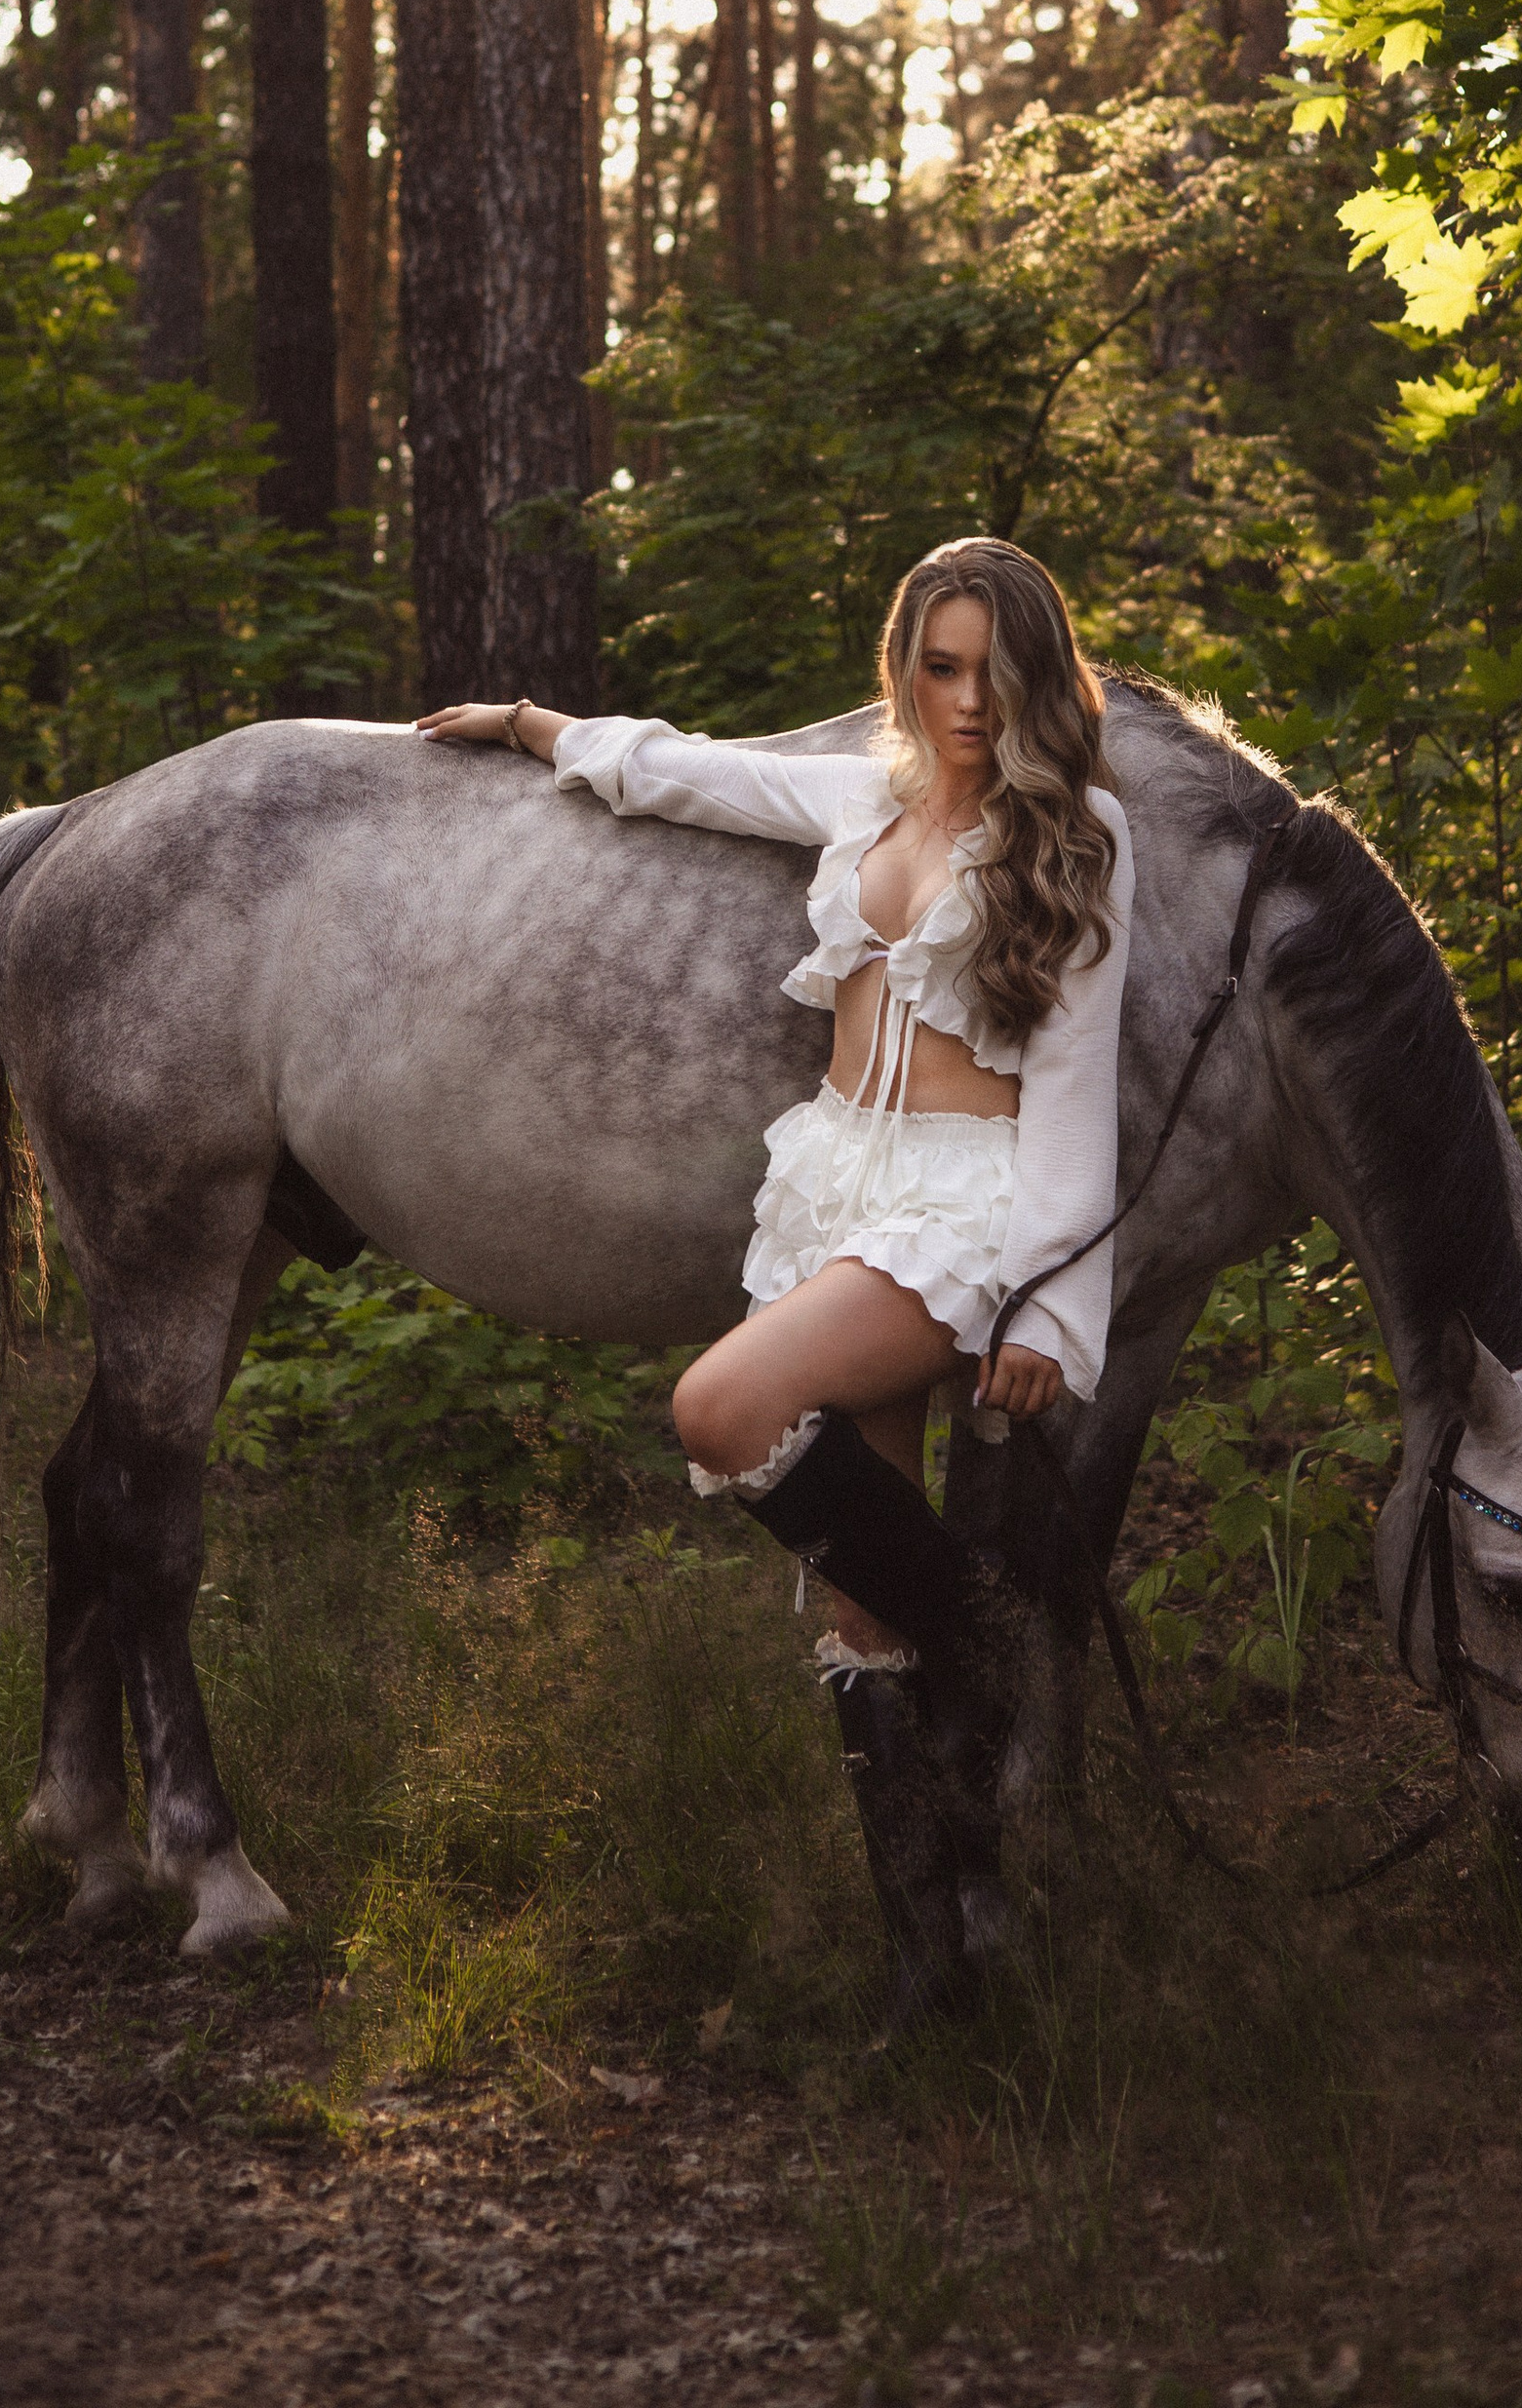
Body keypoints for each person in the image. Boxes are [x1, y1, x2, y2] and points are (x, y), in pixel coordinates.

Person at [419, 532, 1134, 2018]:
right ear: (903, 669)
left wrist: (1044, 1311)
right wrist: (535, 728)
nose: (964, 701)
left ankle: (990, 1634)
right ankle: (935, 1964)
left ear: (1037, 679)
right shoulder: (865, 798)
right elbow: (692, 772)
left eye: (992, 671)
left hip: (958, 1211)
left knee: (721, 1410)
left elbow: (1079, 1114)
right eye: (937, 668)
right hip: (835, 1188)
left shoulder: (1080, 844)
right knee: (855, 1611)